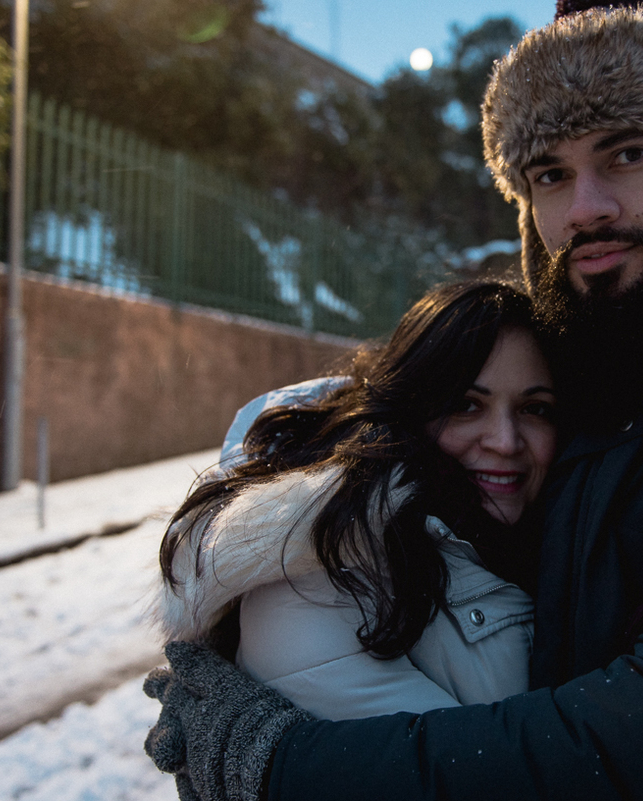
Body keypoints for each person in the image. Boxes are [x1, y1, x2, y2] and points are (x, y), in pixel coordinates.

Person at [144, 2, 643, 799]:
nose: (586, 208)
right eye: (550, 173)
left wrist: (285, 764)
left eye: (628, 154)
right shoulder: (580, 384)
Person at [151, 280, 557, 724]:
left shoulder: (544, 538)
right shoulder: (311, 584)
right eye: (466, 405)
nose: (506, 441)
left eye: (534, 408)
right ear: (408, 409)